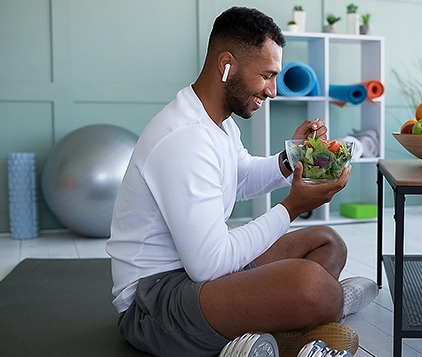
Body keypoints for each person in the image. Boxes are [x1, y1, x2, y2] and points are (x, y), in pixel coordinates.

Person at [105, 6, 378, 357]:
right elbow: (209, 263)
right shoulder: (184, 139)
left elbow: (240, 177)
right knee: (313, 287)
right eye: (266, 75)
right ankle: (332, 304)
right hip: (155, 303)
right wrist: (293, 207)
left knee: (328, 242)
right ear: (227, 65)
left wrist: (294, 157)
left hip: (199, 279)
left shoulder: (218, 123)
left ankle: (276, 336)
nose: (274, 91)